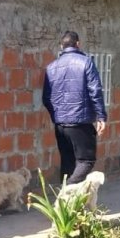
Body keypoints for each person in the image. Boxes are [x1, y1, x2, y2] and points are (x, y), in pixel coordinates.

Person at [42, 31, 107, 185]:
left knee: (67, 162)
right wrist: (101, 116)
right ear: (78, 44)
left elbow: (46, 98)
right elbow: (95, 91)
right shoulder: (86, 62)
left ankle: (67, 205)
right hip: (80, 122)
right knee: (86, 161)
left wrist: (56, 116)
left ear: (61, 46)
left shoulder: (51, 67)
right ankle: (70, 189)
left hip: (60, 124)